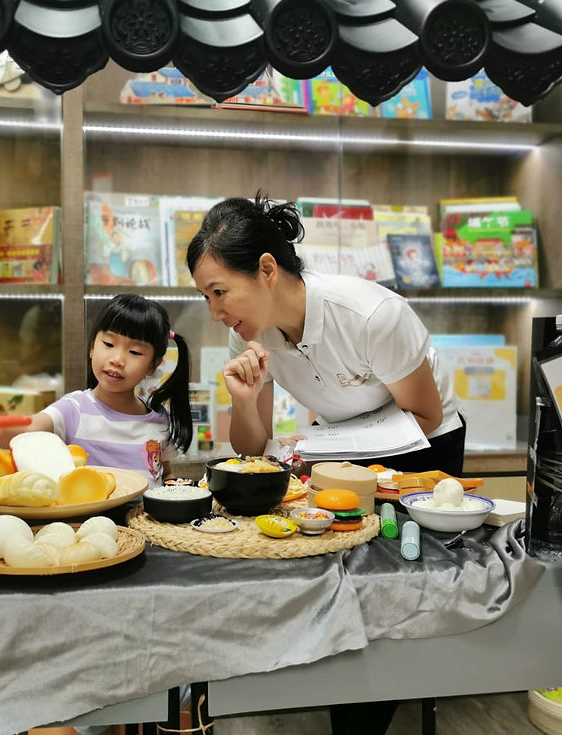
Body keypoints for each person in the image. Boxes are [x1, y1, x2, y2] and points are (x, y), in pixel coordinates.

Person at [187, 194, 466, 735]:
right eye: (206, 297)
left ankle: (364, 714)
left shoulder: (370, 315)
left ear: (267, 269)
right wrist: (245, 401)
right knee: (335, 572)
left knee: (390, 581)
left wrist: (328, 445)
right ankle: (342, 696)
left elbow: (426, 415)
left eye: (219, 292)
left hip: (422, 447)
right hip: (340, 446)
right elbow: (251, 452)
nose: (216, 311)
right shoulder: (247, 331)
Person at [0, 293, 193, 483]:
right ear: (92, 347)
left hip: (146, 517)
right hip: (89, 516)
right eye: (108, 344)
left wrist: (174, 488)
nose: (117, 360)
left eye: (135, 352)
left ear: (153, 365)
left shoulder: (158, 420)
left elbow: (164, 474)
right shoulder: (74, 409)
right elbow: (29, 429)